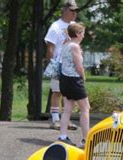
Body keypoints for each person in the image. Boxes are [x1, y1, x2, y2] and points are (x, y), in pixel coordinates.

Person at [44, 0, 78, 130]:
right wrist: (52, 65)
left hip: (71, 64)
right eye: (72, 10)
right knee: (57, 91)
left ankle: (66, 120)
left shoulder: (74, 26)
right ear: (64, 10)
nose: (74, 13)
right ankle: (55, 120)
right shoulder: (56, 26)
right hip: (59, 63)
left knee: (69, 93)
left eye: (76, 11)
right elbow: (50, 47)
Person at [57, 23, 90, 149]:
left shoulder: (66, 45)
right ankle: (85, 139)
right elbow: (78, 66)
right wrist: (83, 76)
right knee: (85, 108)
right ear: (77, 34)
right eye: (82, 33)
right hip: (74, 80)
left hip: (64, 79)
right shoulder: (75, 47)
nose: (84, 35)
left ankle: (63, 136)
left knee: (67, 108)